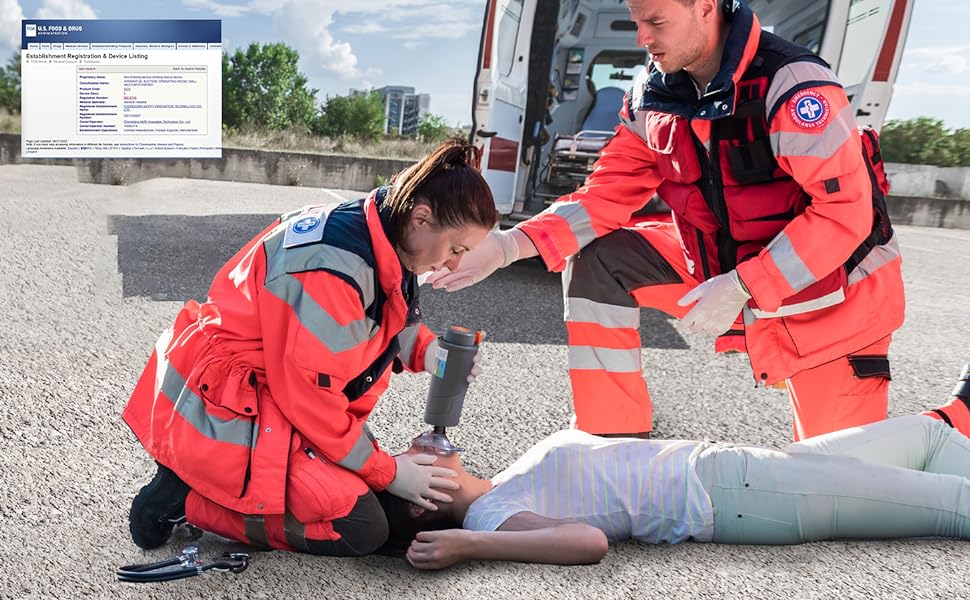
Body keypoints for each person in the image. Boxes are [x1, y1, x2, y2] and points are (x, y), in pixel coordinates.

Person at [427, 0, 905, 441]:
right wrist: (509, 246)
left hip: (831, 299)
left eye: (655, 22)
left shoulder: (794, 86)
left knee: (839, 486)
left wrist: (745, 284)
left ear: (704, 8)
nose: (642, 38)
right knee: (602, 259)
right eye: (637, 20)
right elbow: (604, 196)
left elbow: (844, 213)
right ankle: (611, 439)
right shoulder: (653, 97)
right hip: (720, 270)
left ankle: (955, 419)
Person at [122, 138, 499, 556]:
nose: (454, 265)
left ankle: (241, 500)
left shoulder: (386, 233)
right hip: (231, 408)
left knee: (361, 498)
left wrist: (428, 351)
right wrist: (389, 472)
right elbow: (310, 398)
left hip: (272, 399)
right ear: (422, 217)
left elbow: (386, 317)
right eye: (456, 249)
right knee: (362, 527)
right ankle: (183, 500)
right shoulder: (334, 267)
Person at [375, 365, 970, 570]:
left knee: (926, 434)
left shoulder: (506, 480)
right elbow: (587, 543)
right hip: (739, 496)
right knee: (951, 506)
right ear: (421, 502)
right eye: (408, 463)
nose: (416, 443)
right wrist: (468, 544)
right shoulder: (494, 515)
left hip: (744, 464)